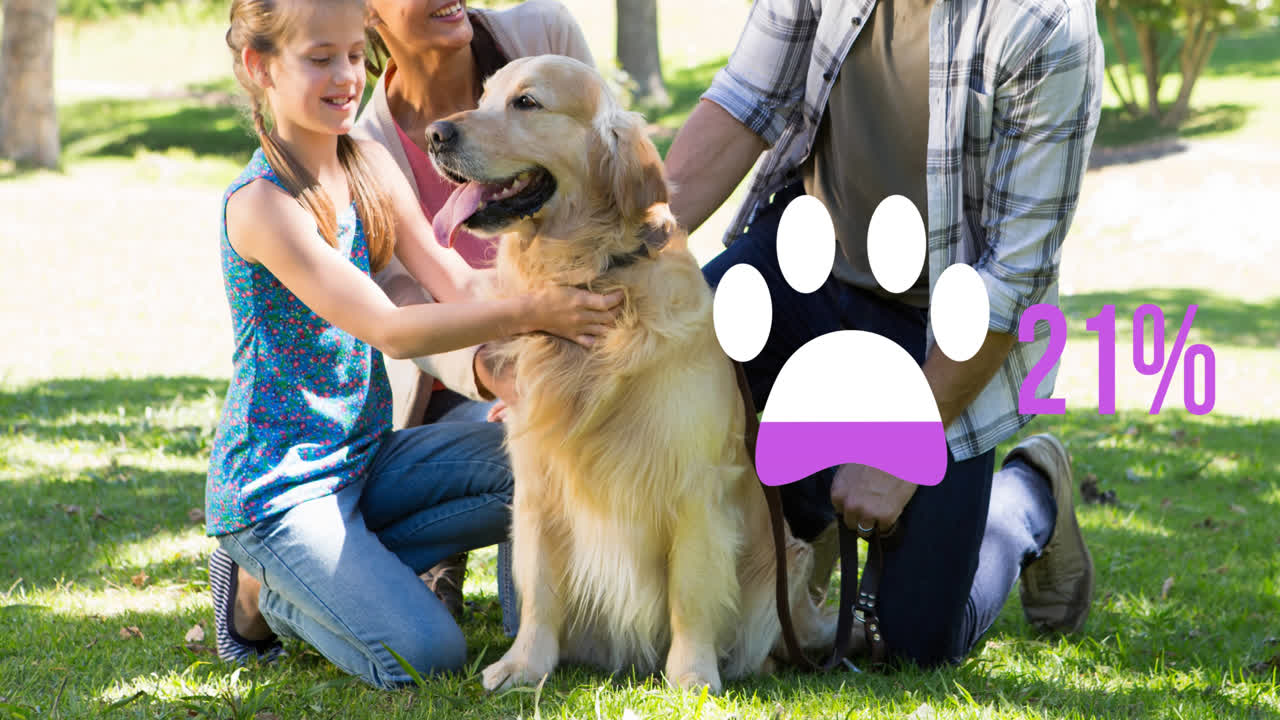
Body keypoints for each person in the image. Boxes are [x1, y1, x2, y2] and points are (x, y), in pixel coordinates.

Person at [665, 0, 1103, 666]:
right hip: (805, 267)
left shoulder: (1046, 24)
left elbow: (1013, 277)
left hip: (943, 330)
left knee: (912, 641)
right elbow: (744, 102)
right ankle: (805, 522)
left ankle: (1029, 494)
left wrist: (902, 444)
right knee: (680, 356)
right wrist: (622, 258)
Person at [207, 0, 619, 688]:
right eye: (318, 59)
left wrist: (526, 375)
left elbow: (454, 278)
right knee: (427, 655)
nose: (344, 77)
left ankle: (330, 571)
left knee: (545, 453)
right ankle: (263, 594)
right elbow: (391, 330)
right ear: (259, 66)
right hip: (280, 489)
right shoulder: (261, 206)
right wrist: (534, 311)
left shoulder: (366, 161)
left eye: (350, 57)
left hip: (364, 460)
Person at [351, 0, 595, 621]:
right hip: (458, 386)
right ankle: (431, 543)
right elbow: (402, 304)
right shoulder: (365, 146)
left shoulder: (546, 34)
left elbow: (601, 182)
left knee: (568, 636)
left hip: (577, 343)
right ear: (365, 13)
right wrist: (497, 371)